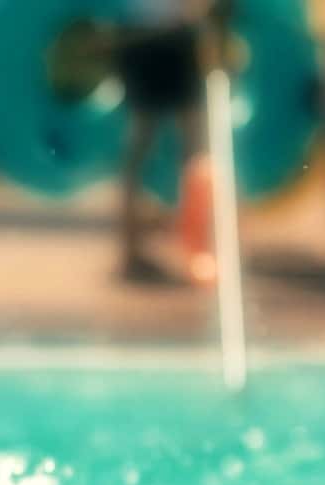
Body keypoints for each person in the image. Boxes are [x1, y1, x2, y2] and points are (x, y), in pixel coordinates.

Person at [114, 0, 211, 283]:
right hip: (162, 38)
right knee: (188, 147)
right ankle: (187, 246)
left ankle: (138, 247)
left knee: (148, 146)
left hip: (145, 36)